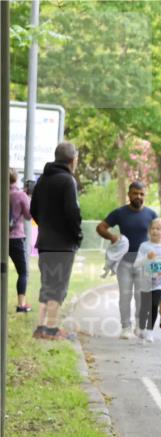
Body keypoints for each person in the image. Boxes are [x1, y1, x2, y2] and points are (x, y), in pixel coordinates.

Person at [29, 141, 82, 340]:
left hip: (44, 242)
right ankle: (51, 330)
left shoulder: (43, 179)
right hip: (63, 245)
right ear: (72, 159)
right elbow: (73, 213)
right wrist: (77, 236)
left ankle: (40, 328)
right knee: (58, 287)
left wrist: (46, 226)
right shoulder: (68, 181)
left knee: (47, 285)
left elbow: (33, 209)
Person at [97, 181, 158, 339]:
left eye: (141, 194)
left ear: (145, 195)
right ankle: (125, 327)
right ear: (129, 194)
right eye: (135, 193)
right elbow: (101, 227)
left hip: (143, 263)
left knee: (140, 295)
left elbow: (160, 236)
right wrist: (112, 237)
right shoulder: (120, 213)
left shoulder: (151, 215)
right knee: (125, 295)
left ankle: (139, 325)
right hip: (124, 262)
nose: (138, 196)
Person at [132, 218, 161, 344]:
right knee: (144, 307)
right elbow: (136, 264)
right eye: (153, 228)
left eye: (158, 229)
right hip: (146, 282)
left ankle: (150, 331)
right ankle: (142, 328)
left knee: (154, 304)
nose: (155, 231)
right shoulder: (144, 246)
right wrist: (146, 258)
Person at [8, 168, 31, 313]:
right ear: (16, 178)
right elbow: (28, 216)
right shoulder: (20, 195)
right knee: (23, 272)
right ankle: (21, 305)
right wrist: (28, 198)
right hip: (15, 238)